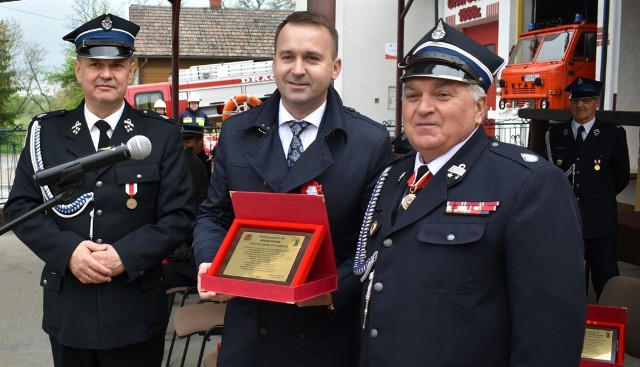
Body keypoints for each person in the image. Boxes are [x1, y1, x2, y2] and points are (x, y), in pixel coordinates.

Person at [355, 19, 586, 367]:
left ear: (479, 109)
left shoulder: (529, 184)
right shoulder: (393, 177)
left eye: (443, 94)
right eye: (413, 95)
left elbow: (549, 334)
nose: (423, 107)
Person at [193, 11, 393, 367]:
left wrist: (335, 291)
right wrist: (209, 261)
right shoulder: (236, 133)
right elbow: (214, 213)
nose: (297, 69)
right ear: (274, 62)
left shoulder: (369, 142)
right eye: (287, 56)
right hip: (249, 333)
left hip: (324, 336)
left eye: (312, 58)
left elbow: (374, 242)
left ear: (335, 67)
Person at [4, 13, 195, 367]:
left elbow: (180, 216)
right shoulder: (46, 133)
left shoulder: (159, 135)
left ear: (131, 69)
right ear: (79, 71)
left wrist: (125, 255)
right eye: (95, 64)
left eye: (117, 65)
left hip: (135, 307)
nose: (106, 74)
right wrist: (68, 251)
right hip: (69, 306)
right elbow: (20, 207)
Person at [546, 77, 629, 299]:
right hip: (567, 219)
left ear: (597, 103)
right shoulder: (554, 136)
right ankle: (570, 325)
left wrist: (598, 196)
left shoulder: (613, 134)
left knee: (607, 278)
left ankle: (609, 330)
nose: (580, 105)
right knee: (568, 278)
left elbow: (620, 177)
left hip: (601, 219)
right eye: (576, 100)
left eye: (587, 100)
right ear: (570, 103)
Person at [163, 124, 210, 290]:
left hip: (192, 231)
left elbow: (187, 203)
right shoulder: (185, 160)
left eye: (189, 141)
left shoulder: (188, 164)